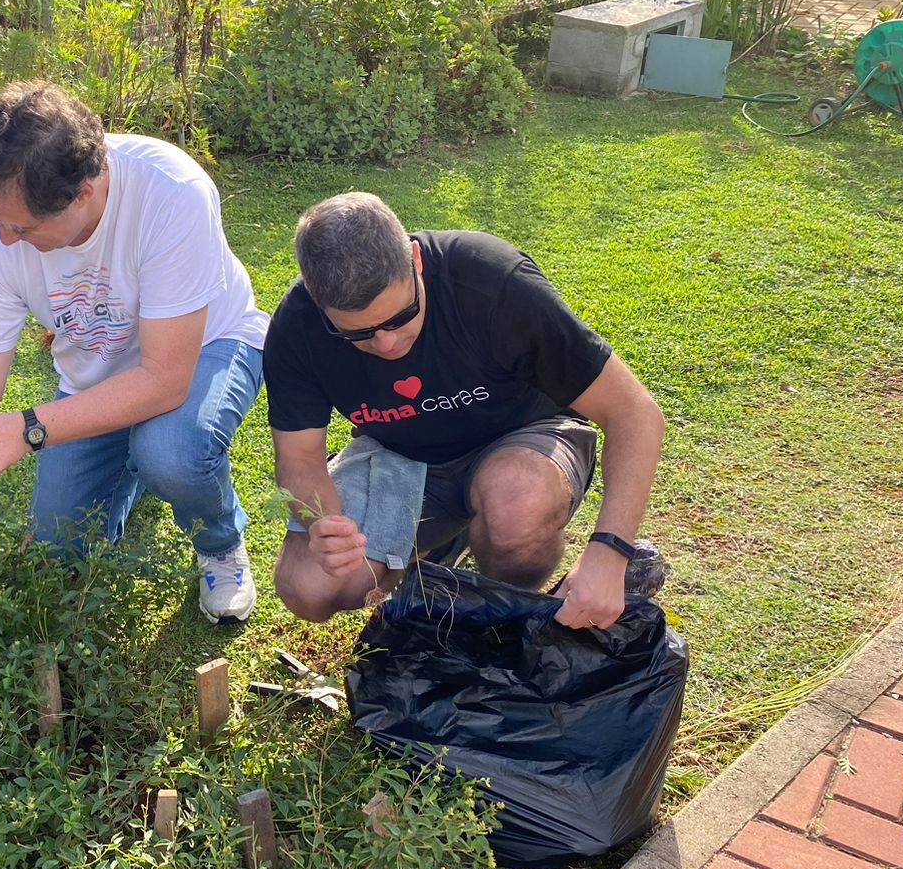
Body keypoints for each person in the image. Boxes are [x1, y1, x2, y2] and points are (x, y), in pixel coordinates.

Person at [0, 81, 269, 623]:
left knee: (171, 452)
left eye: (20, 227)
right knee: (60, 549)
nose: (4, 241)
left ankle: (219, 541)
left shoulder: (172, 192)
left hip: (206, 348)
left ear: (82, 193)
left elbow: (164, 379)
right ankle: (135, 458)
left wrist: (28, 428)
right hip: (101, 374)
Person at [264, 192, 664, 629]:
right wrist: (323, 522)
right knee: (310, 586)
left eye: (401, 317)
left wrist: (610, 551)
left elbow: (633, 411)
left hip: (524, 435)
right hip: (401, 454)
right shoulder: (297, 326)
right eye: (357, 333)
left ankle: (502, 609)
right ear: (318, 302)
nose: (387, 344)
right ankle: (444, 547)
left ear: (415, 260)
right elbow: (299, 457)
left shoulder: (489, 278)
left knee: (515, 505)